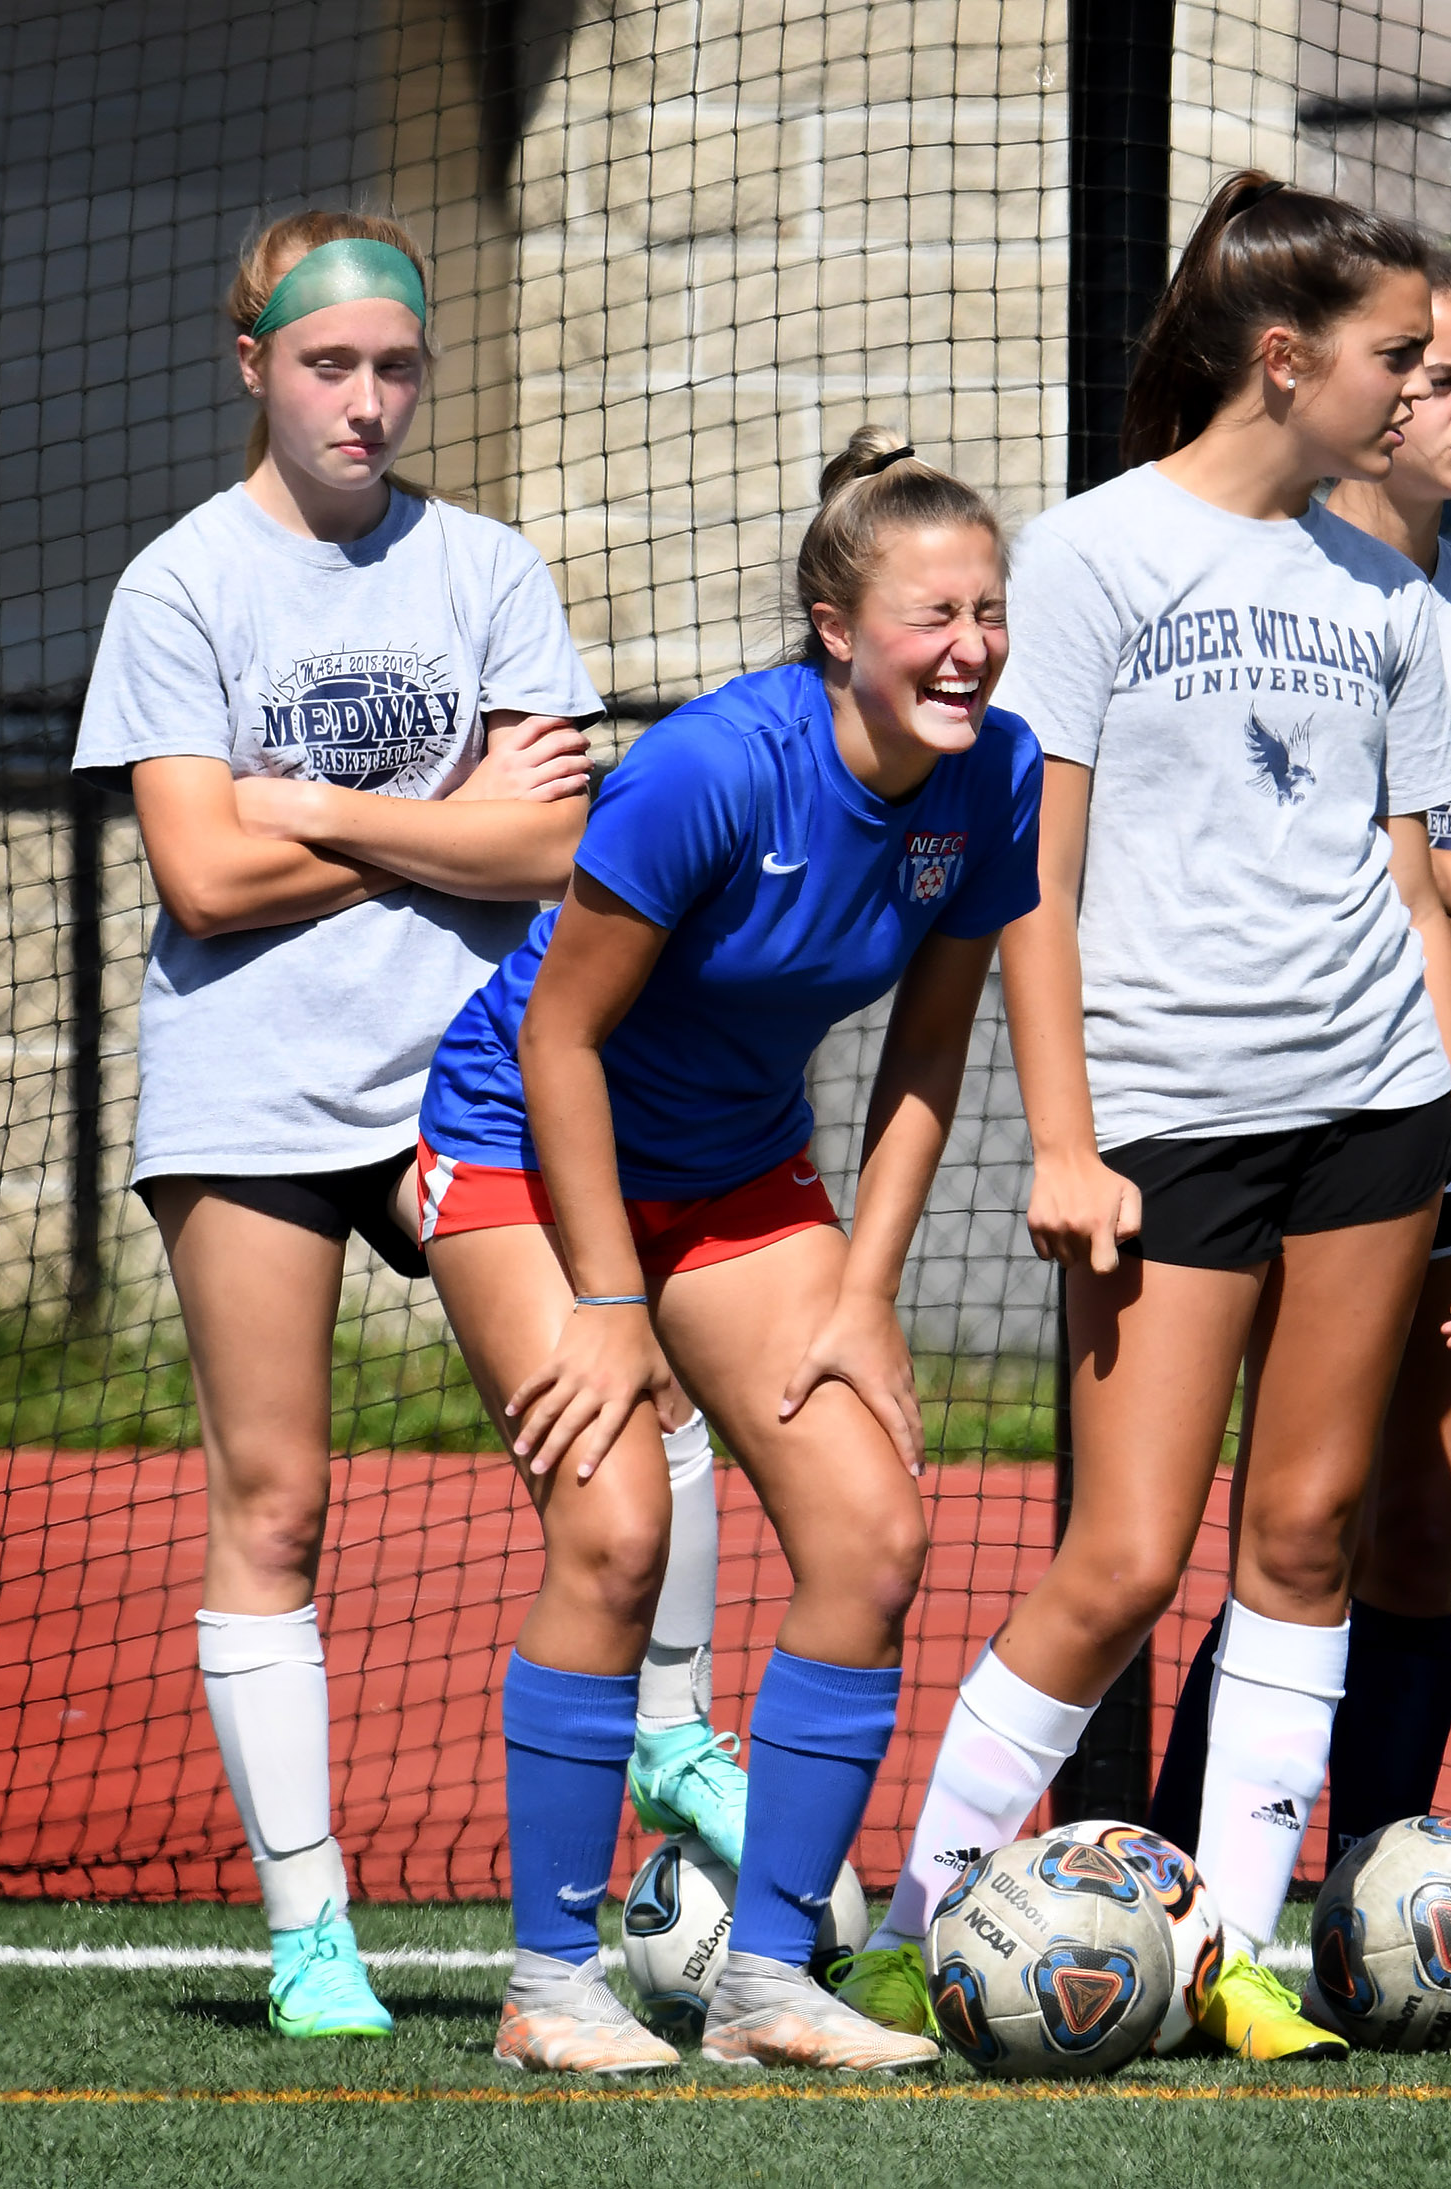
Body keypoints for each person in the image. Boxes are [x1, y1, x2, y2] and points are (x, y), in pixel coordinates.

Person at [836, 176, 1451, 2061]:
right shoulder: (1087, 556)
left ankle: (1224, 1960)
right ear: (1286, 358)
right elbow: (1030, 872)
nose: (1417, 392)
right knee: (1127, 1557)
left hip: (1374, 1107)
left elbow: (1414, 881)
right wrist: (1061, 1135)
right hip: (1168, 1120)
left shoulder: (1386, 587)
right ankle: (920, 1928)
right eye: (1396, 357)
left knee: (1303, 1536)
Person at [70, 209, 740, 2044]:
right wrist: (436, 795)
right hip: (254, 1090)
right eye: (328, 366)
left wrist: (317, 798)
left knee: (633, 1410)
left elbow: (555, 846)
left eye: (394, 368)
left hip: (468, 1076)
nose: (367, 403)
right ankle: (310, 1933)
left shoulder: (488, 568)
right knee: (277, 1499)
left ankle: (674, 1728)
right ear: (254, 369)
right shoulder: (181, 588)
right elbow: (201, 878)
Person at [414, 427, 1044, 2074]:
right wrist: (610, 1308)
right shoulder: (712, 766)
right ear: (838, 627)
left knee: (872, 1534)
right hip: (525, 1140)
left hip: (739, 1167)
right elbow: (559, 1040)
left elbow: (926, 1054)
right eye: (933, 613)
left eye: (989, 608)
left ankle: (768, 1986)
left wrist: (862, 1293)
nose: (969, 644)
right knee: (617, 1531)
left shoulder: (999, 773)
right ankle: (550, 1989)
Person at [1145, 254, 1451, 1904]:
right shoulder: (1284, 596)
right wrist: (1443, 877)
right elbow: (1322, 870)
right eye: (1439, 374)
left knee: (1416, 1540)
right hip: (1315, 1110)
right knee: (1297, 1521)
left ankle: (1371, 1886)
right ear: (1355, 389)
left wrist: (1419, 880)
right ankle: (1172, 1873)